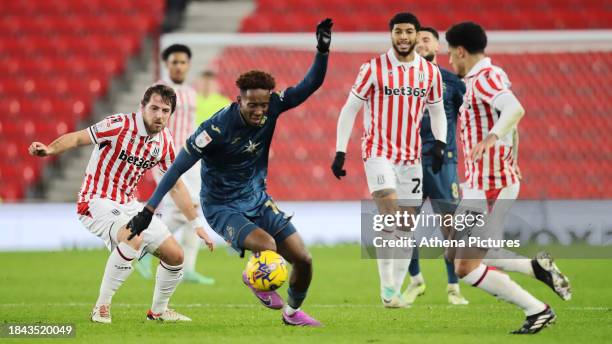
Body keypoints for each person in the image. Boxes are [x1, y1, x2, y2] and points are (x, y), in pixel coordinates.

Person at [126, 18, 333, 327]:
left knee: (304, 259)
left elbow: (310, 86)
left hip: (257, 199)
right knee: (267, 247)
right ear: (239, 99)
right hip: (222, 206)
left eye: (263, 104)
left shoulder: (272, 107)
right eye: (252, 105)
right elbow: (176, 167)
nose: (259, 111)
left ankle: (292, 314)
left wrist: (322, 51)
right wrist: (148, 209)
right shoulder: (216, 128)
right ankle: (253, 278)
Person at [28, 84, 214, 323]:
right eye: (154, 108)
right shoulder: (119, 125)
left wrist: (196, 224)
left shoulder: (164, 142)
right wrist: (49, 149)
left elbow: (176, 185)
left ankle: (158, 312)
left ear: (170, 114)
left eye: (165, 110)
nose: (159, 115)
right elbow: (77, 138)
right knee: (133, 236)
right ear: (142, 107)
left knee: (176, 256)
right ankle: (101, 307)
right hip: (95, 201)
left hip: (129, 205)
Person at [444, 22, 570, 334]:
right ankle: (536, 268)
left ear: (460, 51)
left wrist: (492, 138)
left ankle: (537, 310)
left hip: (490, 183)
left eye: (450, 54)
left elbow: (514, 109)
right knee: (452, 251)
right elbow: (510, 121)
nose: (448, 60)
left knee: (466, 266)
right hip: (479, 182)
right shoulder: (482, 78)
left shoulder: (485, 77)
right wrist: (511, 151)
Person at [332, 12, 448, 308]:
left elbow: (436, 112)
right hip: (378, 152)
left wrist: (440, 145)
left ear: (417, 34)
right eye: (398, 31)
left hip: (411, 156)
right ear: (391, 34)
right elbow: (349, 109)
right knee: (389, 214)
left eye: (410, 32)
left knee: (406, 226)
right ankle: (386, 287)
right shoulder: (373, 68)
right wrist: (341, 150)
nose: (404, 37)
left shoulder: (429, 72)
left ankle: (394, 292)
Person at [134, 44, 215, 285]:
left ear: (188, 65)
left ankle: (187, 268)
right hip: (164, 158)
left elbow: (189, 126)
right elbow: (144, 122)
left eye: (182, 62)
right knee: (183, 207)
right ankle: (144, 248)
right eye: (174, 62)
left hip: (189, 157)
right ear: (166, 65)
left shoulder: (190, 93)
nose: (178, 66)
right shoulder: (156, 91)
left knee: (194, 208)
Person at [400, 26, 468, 306]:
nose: (419, 44)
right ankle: (416, 282)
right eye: (415, 41)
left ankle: (454, 288)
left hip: (443, 163)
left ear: (438, 46)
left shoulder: (453, 83)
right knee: (401, 226)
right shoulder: (401, 80)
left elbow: (470, 117)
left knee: (449, 227)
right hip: (409, 161)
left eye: (425, 40)